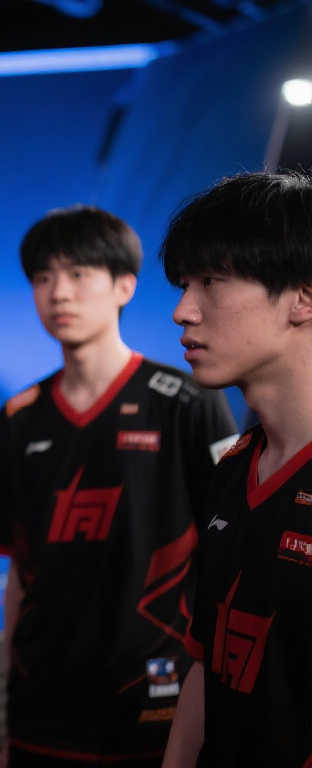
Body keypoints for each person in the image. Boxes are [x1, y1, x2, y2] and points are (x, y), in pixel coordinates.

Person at [0, 205, 238, 766]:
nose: (59, 293)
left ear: (125, 286)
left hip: (155, 699)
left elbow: (229, 560)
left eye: (78, 274)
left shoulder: (187, 402)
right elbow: (18, 575)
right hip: (41, 704)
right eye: (43, 277)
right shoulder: (18, 417)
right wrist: (9, 705)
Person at [159, 171, 312, 767]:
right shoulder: (234, 467)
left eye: (212, 283)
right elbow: (207, 662)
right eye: (185, 285)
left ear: (303, 297)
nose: (182, 311)